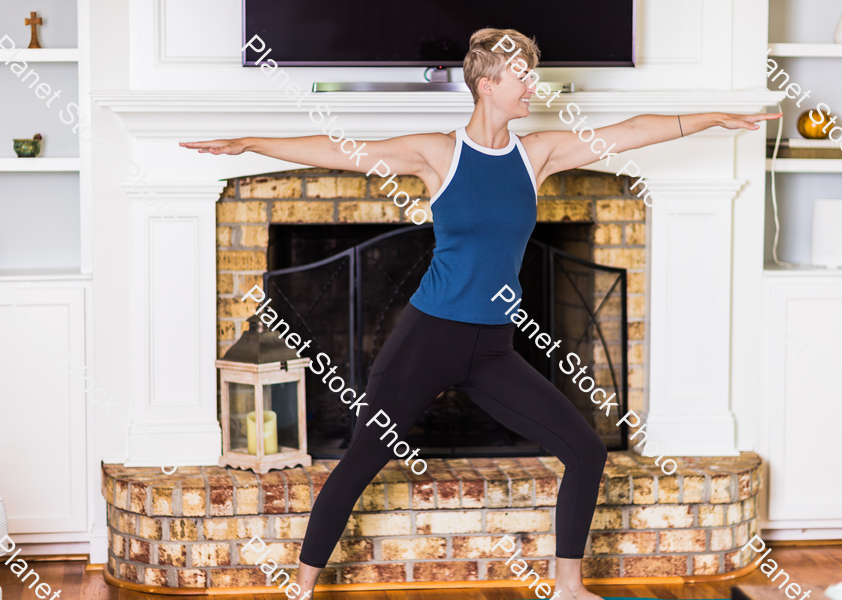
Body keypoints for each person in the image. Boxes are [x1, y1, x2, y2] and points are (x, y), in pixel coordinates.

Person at [181, 27, 780, 600]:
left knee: (587, 450)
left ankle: (568, 586)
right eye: (523, 76)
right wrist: (252, 143)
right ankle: (303, 586)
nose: (533, 87)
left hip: (492, 349)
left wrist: (712, 117)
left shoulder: (537, 155)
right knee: (364, 457)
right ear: (487, 83)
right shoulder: (438, 153)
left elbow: (629, 131)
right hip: (426, 338)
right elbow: (342, 152)